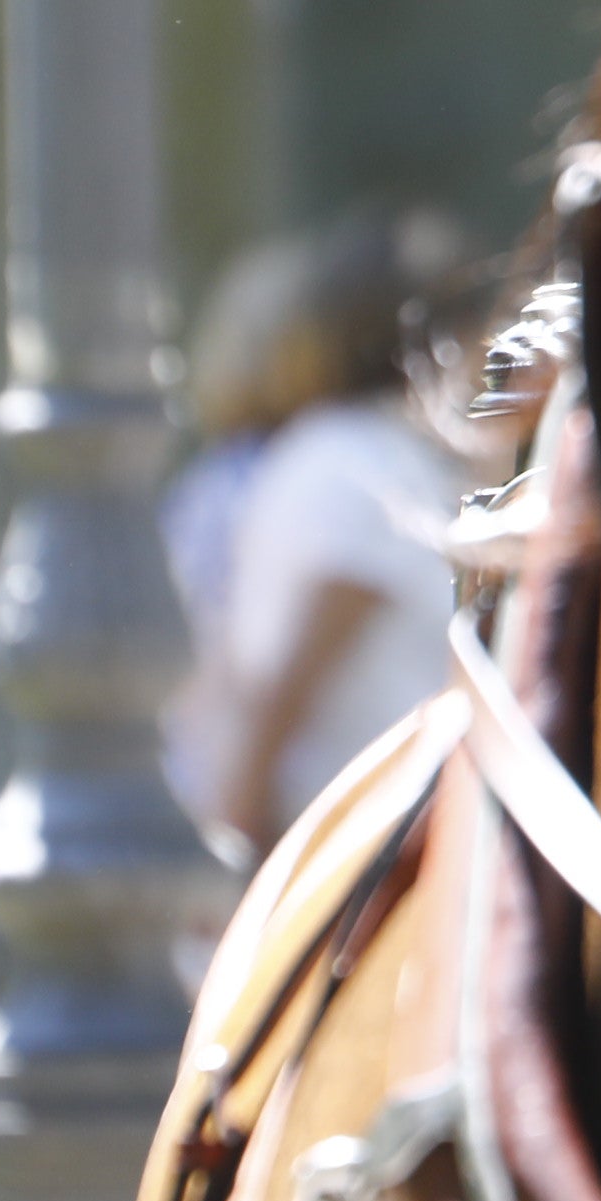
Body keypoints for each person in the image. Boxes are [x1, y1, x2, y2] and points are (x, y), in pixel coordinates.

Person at [161, 213, 485, 852]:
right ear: (437, 339)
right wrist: (236, 861)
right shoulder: (359, 467)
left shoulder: (361, 453)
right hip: (350, 869)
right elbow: (276, 695)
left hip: (378, 854)